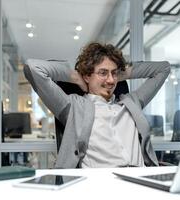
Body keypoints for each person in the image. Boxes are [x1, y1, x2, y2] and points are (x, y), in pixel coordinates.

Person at [24, 42, 170, 168]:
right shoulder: (73, 107)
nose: (111, 80)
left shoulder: (131, 102)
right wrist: (76, 77)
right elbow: (33, 68)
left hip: (140, 180)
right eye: (103, 73)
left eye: (114, 73)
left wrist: (124, 74)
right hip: (100, 184)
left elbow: (163, 69)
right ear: (87, 75)